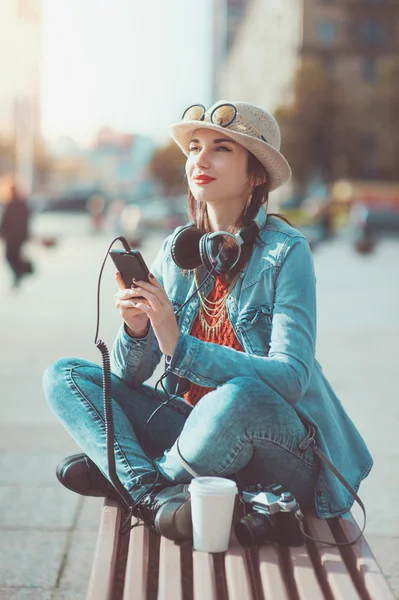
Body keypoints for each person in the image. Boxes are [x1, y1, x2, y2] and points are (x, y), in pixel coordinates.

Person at [43, 101, 373, 542]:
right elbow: (127, 375)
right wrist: (138, 328)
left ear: (256, 175)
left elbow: (291, 378)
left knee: (236, 398)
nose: (200, 158)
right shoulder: (179, 251)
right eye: (195, 147)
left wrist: (180, 346)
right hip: (193, 431)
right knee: (64, 375)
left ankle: (134, 478)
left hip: (279, 443)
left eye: (221, 149)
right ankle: (152, 495)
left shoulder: (286, 252)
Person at [0, 180, 33, 288]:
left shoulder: (17, 204)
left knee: (10, 256)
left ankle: (19, 273)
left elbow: (8, 221)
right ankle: (19, 273)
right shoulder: (18, 203)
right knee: (12, 256)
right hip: (17, 235)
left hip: (14, 236)